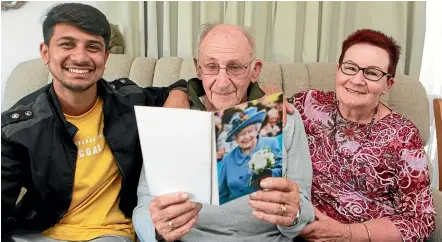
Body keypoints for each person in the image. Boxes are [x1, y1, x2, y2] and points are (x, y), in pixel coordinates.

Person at [1, 3, 189, 242]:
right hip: (35, 232)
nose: (80, 57)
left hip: (107, 234)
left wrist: (179, 94)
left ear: (105, 57)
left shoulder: (129, 100)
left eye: (92, 47)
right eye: (67, 44)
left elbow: (177, 87)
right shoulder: (16, 128)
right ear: (45, 52)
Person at [133, 23, 315, 242]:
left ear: (254, 70)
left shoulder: (285, 118)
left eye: (235, 67)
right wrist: (157, 231)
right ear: (198, 68)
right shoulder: (173, 117)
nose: (221, 82)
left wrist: (293, 214)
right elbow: (143, 206)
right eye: (211, 66)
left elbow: (303, 211)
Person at [289, 29, 436, 241]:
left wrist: (350, 234)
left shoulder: (403, 135)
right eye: (350, 68)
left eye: (373, 73)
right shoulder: (308, 105)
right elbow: (267, 112)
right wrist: (272, 95)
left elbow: (421, 220)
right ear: (338, 70)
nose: (357, 80)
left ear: (388, 84)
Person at [218, 106, 283, 204]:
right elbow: (222, 193)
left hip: (267, 205)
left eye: (250, 131)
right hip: (235, 210)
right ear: (235, 138)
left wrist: (268, 173)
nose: (247, 137)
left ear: (256, 130)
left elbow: (284, 171)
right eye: (242, 134)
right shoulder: (228, 158)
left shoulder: (271, 143)